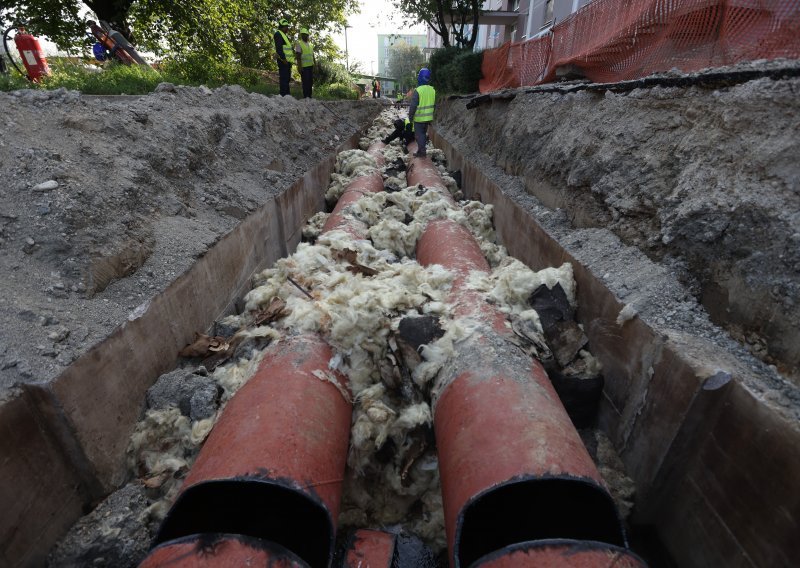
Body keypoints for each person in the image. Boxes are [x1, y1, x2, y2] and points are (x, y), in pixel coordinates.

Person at [408, 68, 435, 158]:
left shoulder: (418, 90)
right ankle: (421, 150)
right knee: (423, 133)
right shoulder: (432, 90)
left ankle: (422, 152)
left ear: (420, 78)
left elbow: (413, 106)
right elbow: (434, 105)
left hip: (419, 118)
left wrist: (410, 117)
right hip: (428, 118)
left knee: (420, 135)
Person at [274, 18, 294, 96]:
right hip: (283, 61)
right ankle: (283, 95)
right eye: (286, 27)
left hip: (287, 61)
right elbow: (279, 49)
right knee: (284, 79)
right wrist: (283, 59)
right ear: (282, 27)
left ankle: (287, 95)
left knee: (287, 79)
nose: (287, 28)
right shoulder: (278, 34)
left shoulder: (284, 35)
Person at [294, 27, 315, 99]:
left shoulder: (310, 45)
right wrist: (299, 67)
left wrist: (314, 65)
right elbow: (298, 56)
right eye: (303, 34)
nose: (305, 36)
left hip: (310, 66)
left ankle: (310, 96)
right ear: (301, 35)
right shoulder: (299, 44)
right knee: (305, 82)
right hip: (304, 67)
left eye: (306, 34)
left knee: (310, 82)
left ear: (308, 35)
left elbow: (312, 55)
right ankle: (306, 96)